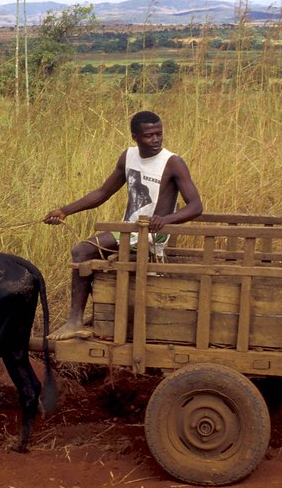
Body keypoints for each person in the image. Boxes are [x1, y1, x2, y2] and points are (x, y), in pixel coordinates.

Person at [43, 110, 203, 340]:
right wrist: (64, 211)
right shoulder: (127, 157)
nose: (156, 139)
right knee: (87, 252)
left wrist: (165, 220)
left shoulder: (173, 162)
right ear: (135, 136)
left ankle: (74, 321)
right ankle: (95, 314)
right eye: (149, 135)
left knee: (82, 251)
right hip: (130, 231)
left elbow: (196, 206)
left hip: (149, 236)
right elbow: (102, 193)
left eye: (160, 133)